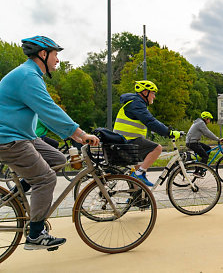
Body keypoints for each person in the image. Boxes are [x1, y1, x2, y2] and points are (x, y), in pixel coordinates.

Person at [0, 36, 100, 250]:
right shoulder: (28, 76)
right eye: (55, 54)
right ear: (43, 54)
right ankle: (36, 235)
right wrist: (81, 134)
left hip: (22, 135)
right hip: (9, 139)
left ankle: (17, 197)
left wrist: (72, 134)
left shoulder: (31, 75)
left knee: (56, 158)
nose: (58, 60)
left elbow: (44, 114)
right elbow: (50, 110)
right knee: (45, 178)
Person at [113, 80, 180, 186]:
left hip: (127, 141)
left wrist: (161, 130)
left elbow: (148, 122)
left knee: (139, 182)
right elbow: (150, 121)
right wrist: (168, 132)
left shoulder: (135, 103)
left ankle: (136, 200)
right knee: (157, 149)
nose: (154, 96)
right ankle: (138, 174)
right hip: (128, 141)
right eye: (153, 93)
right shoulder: (136, 104)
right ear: (145, 92)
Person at [186, 111, 223, 176]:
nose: (210, 121)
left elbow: (206, 134)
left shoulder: (199, 122)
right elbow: (208, 133)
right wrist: (218, 139)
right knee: (205, 156)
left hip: (193, 141)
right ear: (206, 118)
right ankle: (198, 172)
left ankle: (200, 165)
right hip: (192, 143)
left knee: (208, 148)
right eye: (209, 119)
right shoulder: (201, 123)